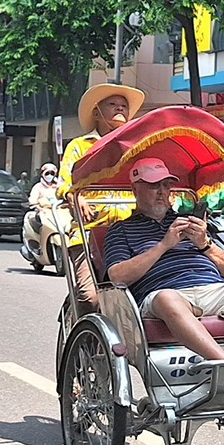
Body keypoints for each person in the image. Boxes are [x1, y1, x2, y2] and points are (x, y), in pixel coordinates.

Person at [104, 157, 224, 360]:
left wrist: (204, 243)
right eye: (154, 186)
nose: (162, 192)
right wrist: (163, 245)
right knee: (167, 298)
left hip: (212, 289)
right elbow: (116, 276)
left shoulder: (187, 222)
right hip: (165, 296)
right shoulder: (121, 230)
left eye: (166, 185)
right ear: (135, 190)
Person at [56, 83, 145, 314]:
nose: (120, 109)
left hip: (130, 232)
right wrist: (75, 196)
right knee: (91, 299)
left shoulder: (135, 149)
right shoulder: (79, 146)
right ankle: (80, 337)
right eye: (112, 105)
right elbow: (65, 182)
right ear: (97, 113)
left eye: (123, 106)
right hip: (88, 233)